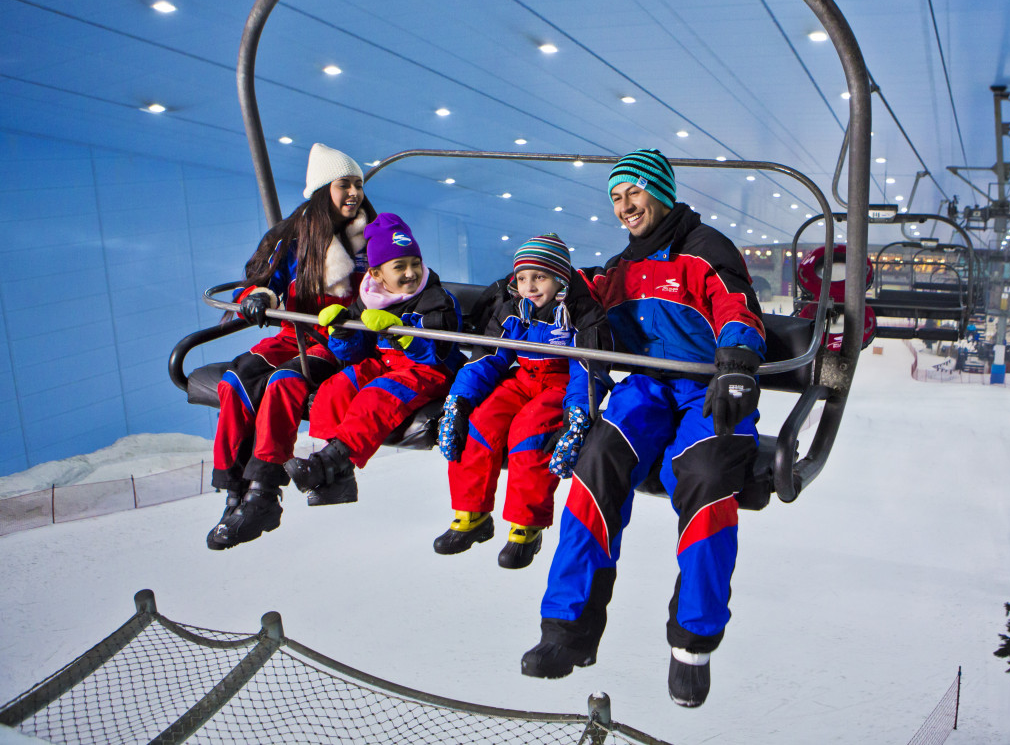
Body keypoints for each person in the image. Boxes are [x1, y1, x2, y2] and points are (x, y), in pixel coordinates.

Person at [521, 149, 766, 709]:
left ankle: (692, 644)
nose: (624, 206)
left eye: (632, 192)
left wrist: (735, 364)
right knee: (596, 460)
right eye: (615, 197)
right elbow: (583, 295)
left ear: (659, 191)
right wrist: (535, 284)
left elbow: (737, 308)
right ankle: (568, 627)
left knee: (706, 476)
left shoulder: (704, 251)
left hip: (708, 386)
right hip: (651, 387)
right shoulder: (623, 267)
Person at [207, 143, 373, 551]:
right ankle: (234, 490)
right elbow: (264, 277)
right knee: (235, 379)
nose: (353, 194)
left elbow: (386, 284)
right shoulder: (294, 237)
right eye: (343, 185)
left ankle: (264, 490)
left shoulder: (369, 235)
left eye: (357, 185)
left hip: (338, 339)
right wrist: (260, 296)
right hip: (293, 332)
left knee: (283, 382)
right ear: (321, 190)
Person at [262, 213, 465, 516]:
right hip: (385, 363)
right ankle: (340, 477)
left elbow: (438, 353)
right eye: (400, 266)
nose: (411, 273)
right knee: (336, 387)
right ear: (377, 272)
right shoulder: (370, 297)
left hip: (428, 370)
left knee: (376, 395)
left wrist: (401, 336)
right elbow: (353, 353)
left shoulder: (436, 298)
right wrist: (341, 332)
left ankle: (330, 462)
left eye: (415, 263)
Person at [433, 234, 611, 569]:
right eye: (523, 278)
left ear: (561, 277)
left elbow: (588, 367)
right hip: (524, 378)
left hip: (562, 384)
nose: (529, 286)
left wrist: (577, 415)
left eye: (540, 277)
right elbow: (488, 357)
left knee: (529, 434)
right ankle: (471, 513)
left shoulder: (580, 311)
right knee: (480, 424)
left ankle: (525, 527)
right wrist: (458, 402)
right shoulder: (513, 308)